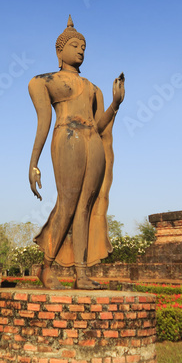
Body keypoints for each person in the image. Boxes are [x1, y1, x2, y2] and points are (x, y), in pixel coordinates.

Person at [28, 16, 124, 290]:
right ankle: (46, 267)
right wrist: (34, 163)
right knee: (68, 204)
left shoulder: (95, 89)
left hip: (92, 142)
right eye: (74, 44)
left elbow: (101, 125)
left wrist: (116, 104)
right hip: (66, 136)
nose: (81, 49)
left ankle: (81, 273)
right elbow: (43, 122)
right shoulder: (43, 81)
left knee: (86, 206)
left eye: (83, 45)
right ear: (60, 51)